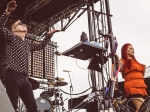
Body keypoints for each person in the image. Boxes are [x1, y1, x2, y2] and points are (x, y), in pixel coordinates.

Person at [0, 0, 60, 112]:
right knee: (12, 106)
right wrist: (7, 12)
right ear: (14, 30)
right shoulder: (11, 38)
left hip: (24, 78)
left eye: (23, 24)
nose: (23, 24)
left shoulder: (27, 44)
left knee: (33, 108)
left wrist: (48, 35)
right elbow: (1, 27)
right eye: (20, 24)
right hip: (13, 74)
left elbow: (41, 46)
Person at [119, 43, 148, 112]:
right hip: (132, 87)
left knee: (145, 109)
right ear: (125, 50)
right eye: (130, 48)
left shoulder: (136, 62)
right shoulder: (123, 60)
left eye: (133, 48)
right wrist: (116, 60)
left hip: (141, 88)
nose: (133, 50)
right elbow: (119, 69)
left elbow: (141, 76)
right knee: (141, 108)